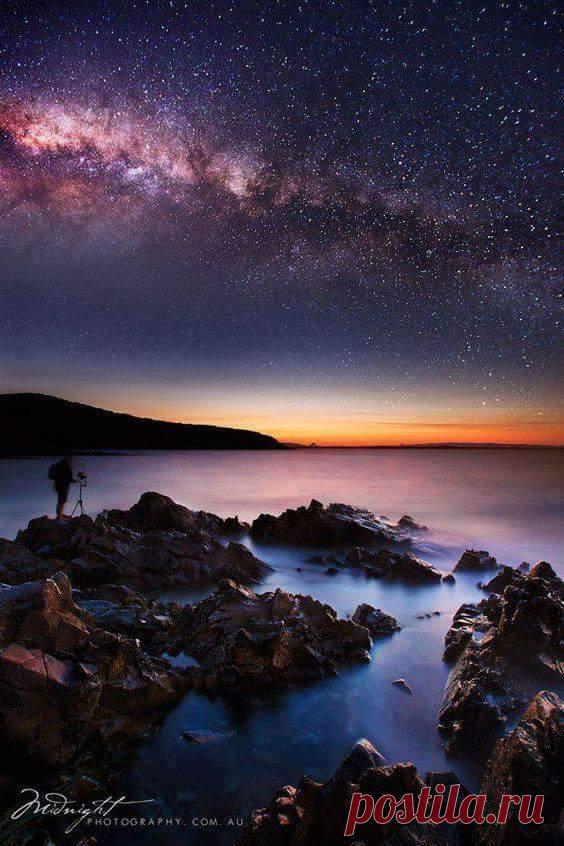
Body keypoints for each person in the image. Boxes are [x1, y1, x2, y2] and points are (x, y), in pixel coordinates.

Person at [52, 453, 76, 520]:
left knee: (62, 500)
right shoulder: (64, 465)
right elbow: (67, 476)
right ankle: (59, 516)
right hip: (62, 485)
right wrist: (73, 480)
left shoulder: (60, 463)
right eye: (71, 458)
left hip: (59, 485)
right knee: (62, 501)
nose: (71, 459)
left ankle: (59, 515)